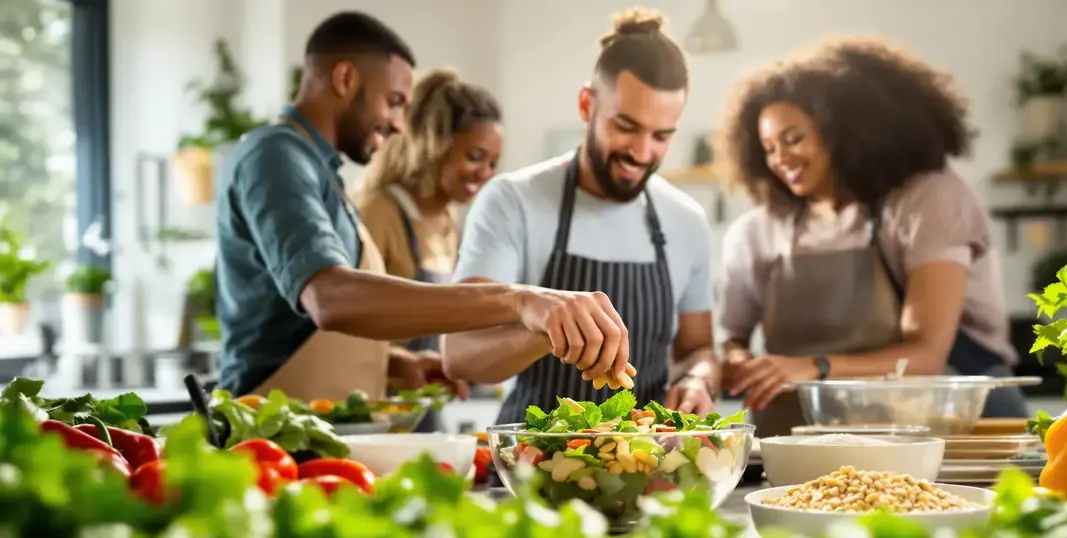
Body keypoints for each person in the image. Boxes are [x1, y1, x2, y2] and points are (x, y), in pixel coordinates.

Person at [215, 11, 630, 404]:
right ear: (344, 78)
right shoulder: (276, 155)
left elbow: (294, 330)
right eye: (394, 100)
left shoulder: (319, 170)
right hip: (266, 439)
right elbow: (331, 299)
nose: (399, 123)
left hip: (314, 434)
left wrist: (396, 364)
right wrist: (519, 300)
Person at [714, 37, 1026, 439]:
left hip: (952, 426)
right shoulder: (756, 231)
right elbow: (729, 340)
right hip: (804, 437)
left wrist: (812, 368)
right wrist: (741, 363)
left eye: (793, 139)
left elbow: (926, 353)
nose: (780, 160)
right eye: (769, 148)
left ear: (842, 130)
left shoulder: (927, 200)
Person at [442, 8, 719, 423]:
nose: (642, 153)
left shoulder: (686, 220)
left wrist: (698, 380)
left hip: (647, 464)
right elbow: (460, 355)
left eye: (661, 136)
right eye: (626, 126)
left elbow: (698, 350)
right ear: (587, 105)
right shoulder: (512, 201)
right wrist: (546, 333)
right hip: (532, 467)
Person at [353, 69, 503, 430]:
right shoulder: (379, 211)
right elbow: (345, 326)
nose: (484, 172)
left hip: (428, 407)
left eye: (492, 163)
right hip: (376, 411)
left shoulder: (448, 223)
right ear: (435, 144)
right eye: (475, 156)